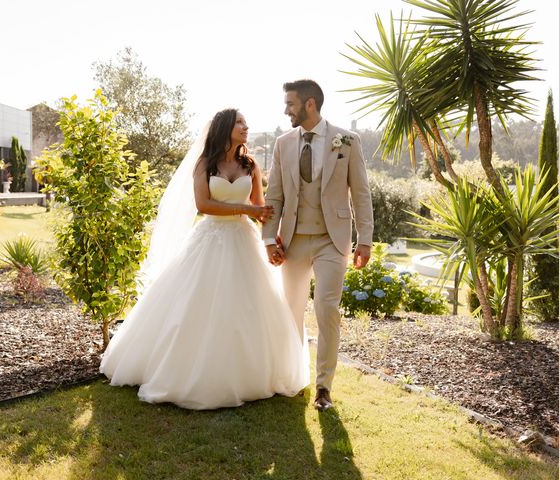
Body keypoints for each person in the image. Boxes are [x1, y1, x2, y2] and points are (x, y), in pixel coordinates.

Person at [100, 108, 309, 410]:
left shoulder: (250, 165)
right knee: (197, 302)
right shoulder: (205, 164)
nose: (246, 126)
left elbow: (261, 209)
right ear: (225, 128)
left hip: (243, 241)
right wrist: (247, 211)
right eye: (240, 122)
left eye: (246, 123)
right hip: (210, 238)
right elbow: (204, 204)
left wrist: (269, 243)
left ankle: (249, 373)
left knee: (248, 306)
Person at [263, 79, 374, 411]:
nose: (286, 110)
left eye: (290, 104)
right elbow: (275, 196)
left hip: (332, 239)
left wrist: (364, 240)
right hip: (293, 239)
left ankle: (324, 387)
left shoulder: (347, 140)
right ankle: (292, 376)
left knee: (327, 309)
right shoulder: (283, 143)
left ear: (310, 104)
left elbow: (362, 193)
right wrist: (270, 238)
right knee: (291, 310)